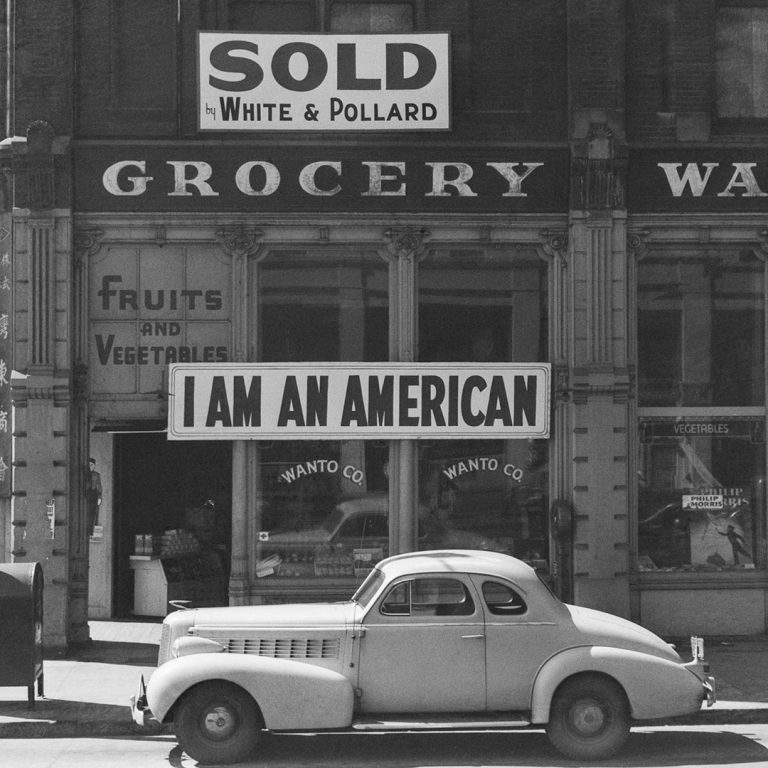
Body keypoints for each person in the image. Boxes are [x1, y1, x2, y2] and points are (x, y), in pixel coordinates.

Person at [85, 457, 103, 536]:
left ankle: (90, 532)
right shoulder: (84, 474)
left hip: (94, 495)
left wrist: (99, 497)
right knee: (86, 513)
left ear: (94, 466)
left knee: (93, 514)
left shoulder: (97, 475)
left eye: (92, 465)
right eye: (89, 465)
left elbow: (99, 486)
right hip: (86, 495)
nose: (90, 466)